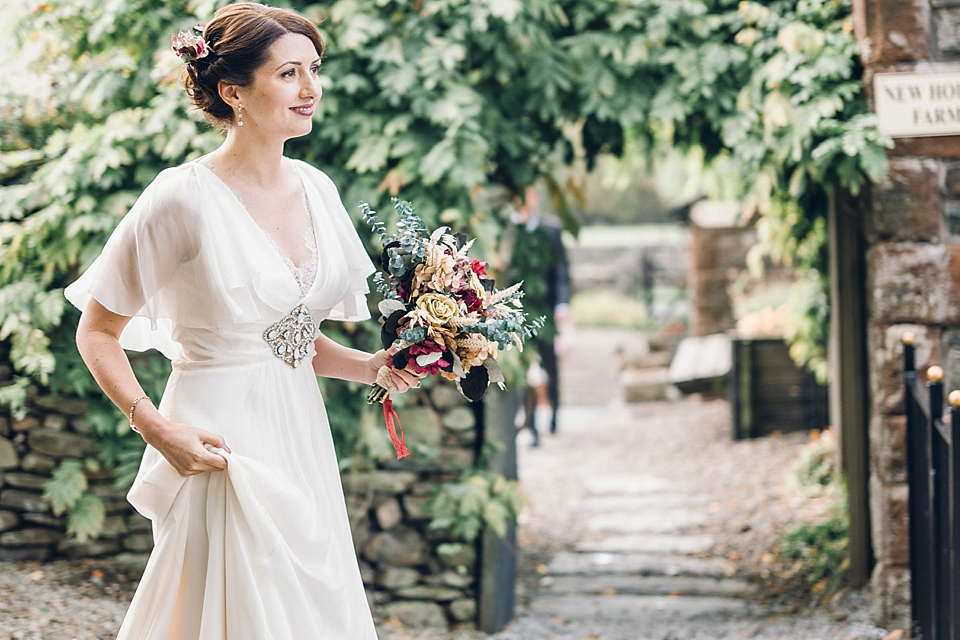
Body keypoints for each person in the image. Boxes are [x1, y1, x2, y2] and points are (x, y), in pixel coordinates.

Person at [64, 3, 421, 638]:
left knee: (309, 610)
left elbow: (292, 338)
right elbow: (96, 331)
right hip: (215, 435)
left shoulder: (317, 188)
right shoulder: (181, 197)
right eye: (289, 74)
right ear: (234, 91)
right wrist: (155, 426)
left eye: (315, 69)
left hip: (298, 430)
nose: (311, 89)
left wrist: (372, 366)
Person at [505, 185, 572, 447]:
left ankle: (553, 413)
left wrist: (563, 303)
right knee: (524, 367)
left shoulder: (551, 229)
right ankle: (530, 425)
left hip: (545, 307)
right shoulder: (510, 231)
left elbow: (562, 270)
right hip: (519, 311)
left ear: (536, 197)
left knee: (549, 365)